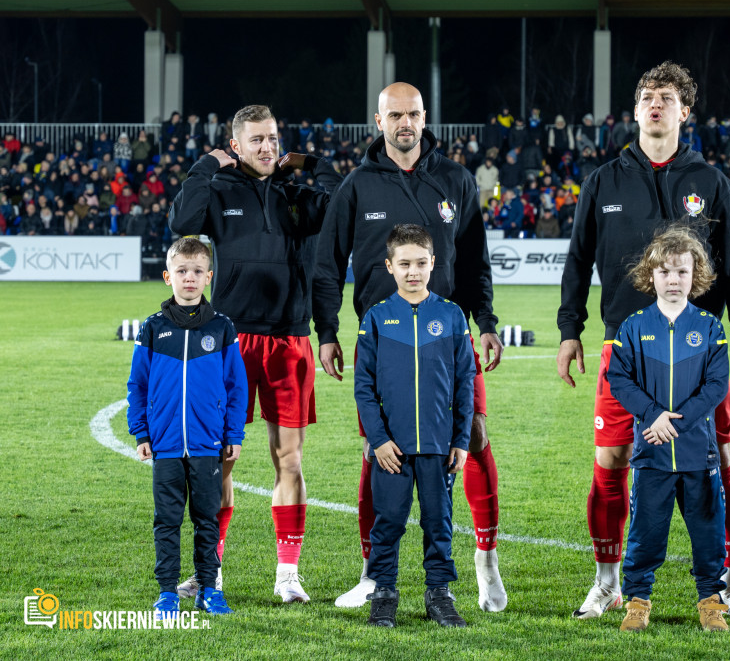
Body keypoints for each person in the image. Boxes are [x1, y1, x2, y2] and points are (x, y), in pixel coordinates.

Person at [557, 61, 730, 622]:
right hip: (623, 349)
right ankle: (607, 583)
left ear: (684, 111)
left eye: (666, 97)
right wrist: (569, 330)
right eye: (647, 95)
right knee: (613, 460)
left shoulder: (712, 182)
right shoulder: (604, 180)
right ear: (635, 108)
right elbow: (577, 260)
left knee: (716, 462)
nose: (655, 104)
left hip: (700, 352)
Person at [313, 82, 506, 613]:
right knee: (380, 451)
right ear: (378, 121)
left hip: (449, 340)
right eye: (395, 114)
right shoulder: (356, 186)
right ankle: (375, 573)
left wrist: (485, 321)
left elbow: (474, 262)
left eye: (414, 114)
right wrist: (327, 331)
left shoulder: (456, 180)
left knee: (475, 433)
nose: (405, 123)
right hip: (384, 339)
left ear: (425, 118)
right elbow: (326, 263)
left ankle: (486, 560)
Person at [169, 104, 342, 603]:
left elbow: (337, 206)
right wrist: (207, 164)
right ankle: (210, 572)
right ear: (236, 145)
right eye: (256, 140)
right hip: (232, 342)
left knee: (289, 458)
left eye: (272, 138)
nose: (267, 147)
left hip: (291, 339)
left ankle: (288, 576)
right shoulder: (219, 189)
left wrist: (308, 163)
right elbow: (182, 220)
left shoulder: (299, 194)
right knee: (221, 458)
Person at [607, 225, 730, 633]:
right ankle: (638, 601)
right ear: (651, 276)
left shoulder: (711, 327)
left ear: (696, 275)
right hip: (652, 451)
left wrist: (674, 423)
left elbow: (716, 385)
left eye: (681, 271)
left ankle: (711, 602)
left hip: (698, 452)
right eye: (665, 272)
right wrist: (652, 415)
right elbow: (620, 379)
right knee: (645, 533)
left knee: (708, 534)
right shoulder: (633, 326)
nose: (673, 280)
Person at [356, 224, 475, 628]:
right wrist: (380, 439)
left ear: (433, 264)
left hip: (439, 446)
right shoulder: (376, 317)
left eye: (421, 264)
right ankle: (384, 592)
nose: (413, 272)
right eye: (404, 264)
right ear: (390, 266)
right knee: (387, 522)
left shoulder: (452, 315)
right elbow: (364, 389)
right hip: (392, 449)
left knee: (438, 522)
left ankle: (439, 593)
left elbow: (464, 383)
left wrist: (460, 440)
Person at [127, 237, 247, 620]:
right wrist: (141, 432)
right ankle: (166, 593)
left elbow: (235, 387)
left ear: (209, 276)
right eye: (181, 271)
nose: (189, 278)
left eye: (197, 271)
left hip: (207, 443)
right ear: (167, 277)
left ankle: (209, 589)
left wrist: (233, 435)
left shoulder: (222, 327)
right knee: (166, 520)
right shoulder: (152, 328)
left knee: (206, 519)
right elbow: (138, 385)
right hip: (163, 445)